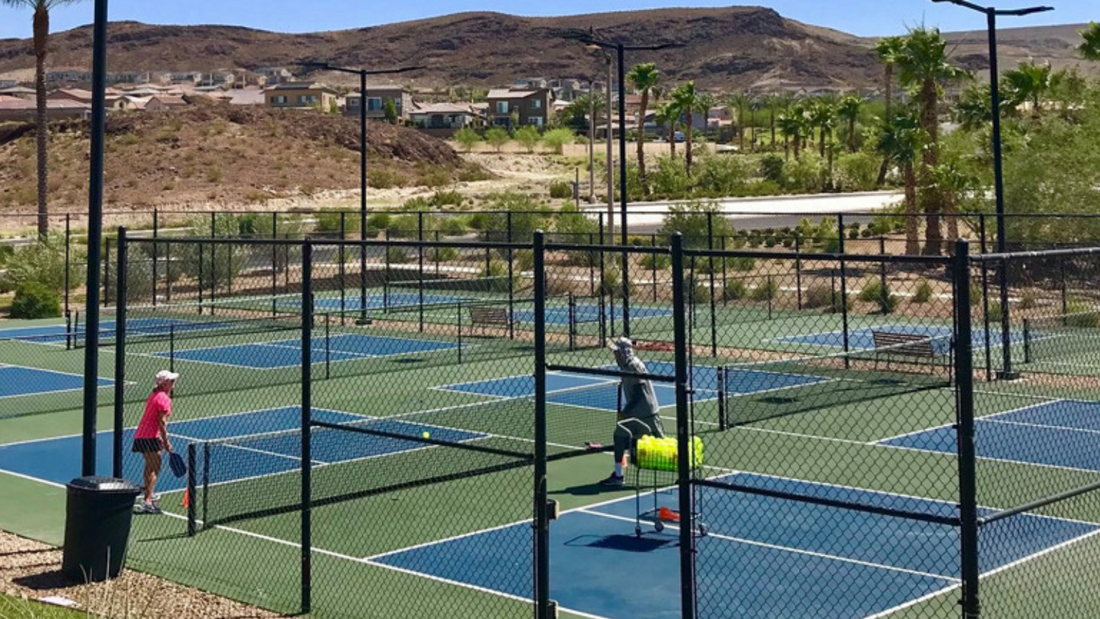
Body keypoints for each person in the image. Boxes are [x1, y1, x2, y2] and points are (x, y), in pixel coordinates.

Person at [601, 337, 663, 487]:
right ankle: (618, 474)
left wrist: (626, 411)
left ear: (624, 352)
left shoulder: (633, 366)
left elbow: (639, 392)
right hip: (637, 411)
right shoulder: (626, 365)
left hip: (646, 411)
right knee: (619, 436)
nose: (615, 355)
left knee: (662, 444)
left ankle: (683, 471)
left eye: (617, 352)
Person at [132, 370, 178, 514]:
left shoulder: (154, 395)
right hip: (151, 437)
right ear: (164, 384)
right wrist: (165, 441)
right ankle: (147, 501)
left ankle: (149, 494)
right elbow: (161, 422)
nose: (173, 383)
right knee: (155, 468)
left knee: (150, 466)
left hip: (141, 435)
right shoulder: (163, 398)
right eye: (171, 381)